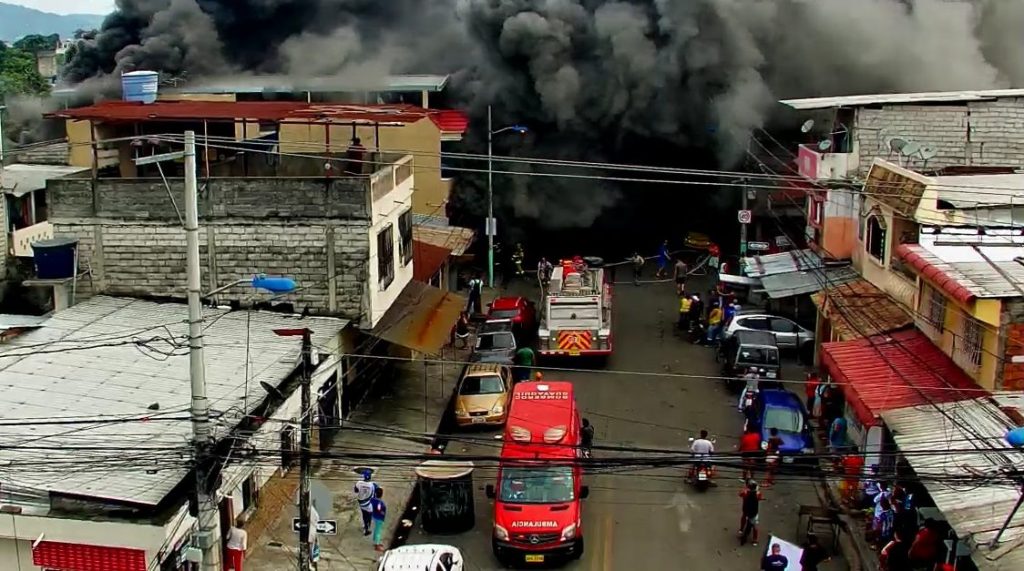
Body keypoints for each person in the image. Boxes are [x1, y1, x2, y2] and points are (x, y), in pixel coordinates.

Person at [353, 469, 379, 536]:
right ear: (370, 476)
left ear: (364, 476)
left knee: (364, 515)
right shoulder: (373, 485)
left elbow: (356, 491)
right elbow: (378, 494)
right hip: (369, 505)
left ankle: (365, 526)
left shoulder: (358, 483)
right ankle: (366, 530)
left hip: (361, 503)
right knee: (369, 517)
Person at [738, 480, 764, 546]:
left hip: (748, 510)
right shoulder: (757, 493)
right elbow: (760, 498)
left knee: (752, 524)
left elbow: (740, 494)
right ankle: (754, 539)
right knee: (754, 525)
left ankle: (743, 530)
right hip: (752, 511)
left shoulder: (745, 492)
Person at [370, 486, 387, 551]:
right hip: (379, 518)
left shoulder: (372, 500)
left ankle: (375, 541)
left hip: (374, 516)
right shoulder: (380, 503)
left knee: (376, 530)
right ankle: (377, 545)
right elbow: (380, 510)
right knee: (378, 531)